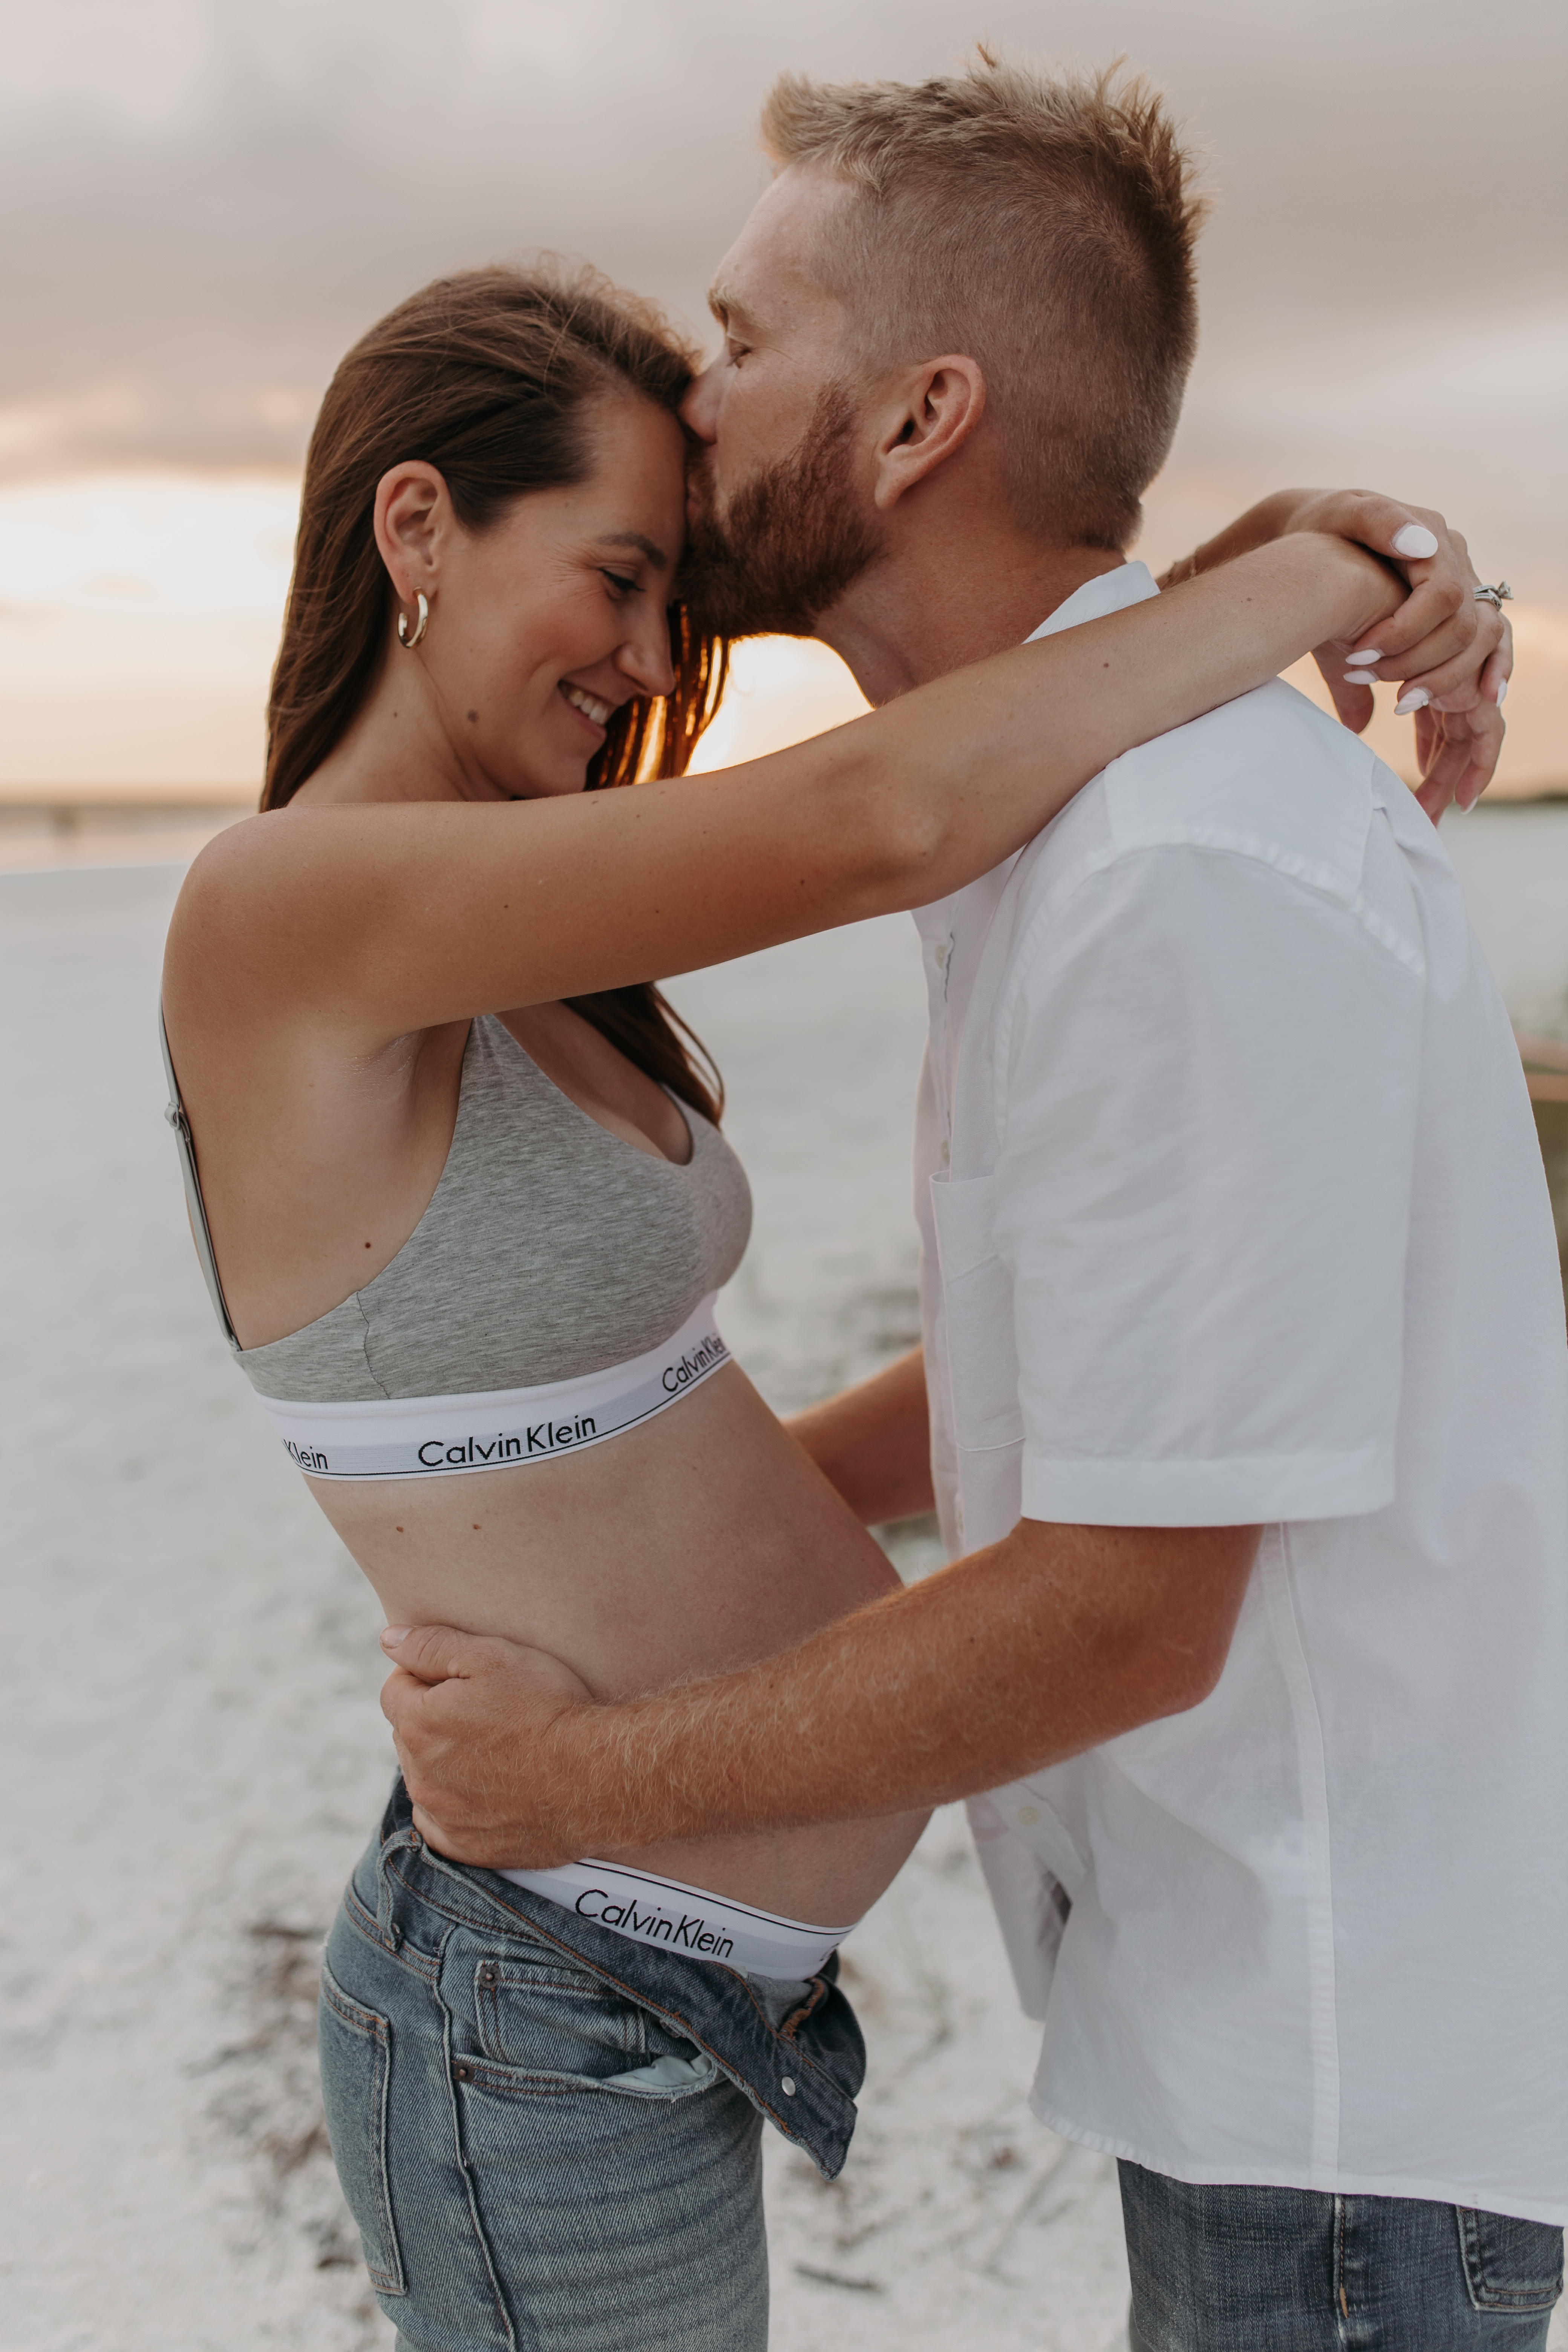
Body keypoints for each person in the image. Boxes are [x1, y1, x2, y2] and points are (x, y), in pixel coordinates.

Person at [379, 58, 1562, 2352]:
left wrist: (577, 1774)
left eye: (741, 341)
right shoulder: (1092, 818)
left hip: (1337, 2070)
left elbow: (1127, 1613)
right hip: (1270, 2014)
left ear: (923, 415)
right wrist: (661, 1551)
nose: (689, 407)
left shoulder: (1178, 873)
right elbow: (1109, 1360)